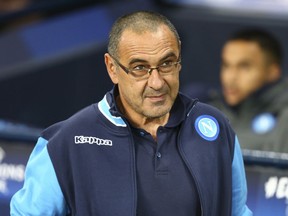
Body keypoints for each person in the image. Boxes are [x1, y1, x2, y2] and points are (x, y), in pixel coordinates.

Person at [10, 11, 252, 216]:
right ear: (112, 68)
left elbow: (238, 211)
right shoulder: (65, 142)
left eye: (167, 64)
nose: (157, 82)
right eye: (139, 68)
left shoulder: (215, 128)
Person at [208, 28, 288, 153]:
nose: (230, 78)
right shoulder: (207, 112)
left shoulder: (284, 118)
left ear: (273, 72)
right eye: (226, 65)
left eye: (244, 67)